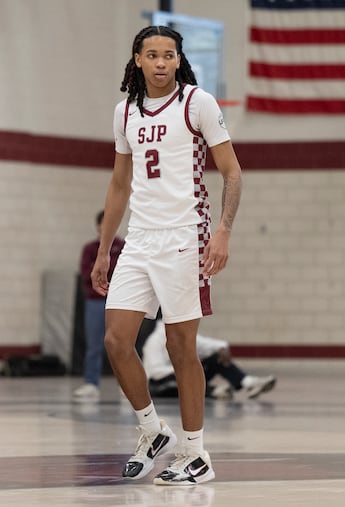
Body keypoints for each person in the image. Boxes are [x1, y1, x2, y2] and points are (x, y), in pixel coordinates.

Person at [91, 25, 242, 486]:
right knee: (117, 341)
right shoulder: (124, 112)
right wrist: (104, 249)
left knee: (180, 346)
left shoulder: (197, 102)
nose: (160, 62)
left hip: (186, 235)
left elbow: (232, 173)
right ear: (137, 59)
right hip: (139, 237)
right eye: (152, 54)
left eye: (168, 55)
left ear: (178, 60)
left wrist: (222, 232)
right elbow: (119, 185)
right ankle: (153, 430)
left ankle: (196, 454)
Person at [143, 319, 276, 400]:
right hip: (161, 383)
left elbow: (205, 344)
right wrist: (184, 368)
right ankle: (212, 391)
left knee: (217, 357)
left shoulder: (182, 334)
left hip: (185, 375)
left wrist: (222, 348)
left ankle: (249, 382)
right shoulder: (155, 341)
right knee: (174, 384)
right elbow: (155, 372)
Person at [73, 210, 125, 401]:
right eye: (104, 223)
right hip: (95, 301)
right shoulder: (90, 248)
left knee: (123, 344)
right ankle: (91, 383)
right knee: (94, 344)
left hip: (119, 301)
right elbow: (87, 272)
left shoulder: (123, 246)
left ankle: (126, 385)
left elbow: (126, 272)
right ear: (98, 226)